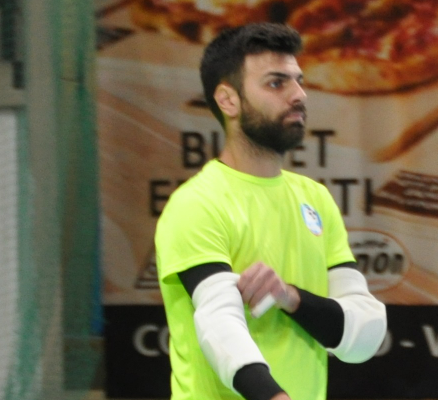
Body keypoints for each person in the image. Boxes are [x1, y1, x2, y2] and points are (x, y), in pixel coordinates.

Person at [154, 22, 387, 400]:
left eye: (299, 81)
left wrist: (292, 298)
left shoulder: (315, 199)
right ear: (228, 100)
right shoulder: (196, 204)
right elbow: (219, 324)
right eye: (276, 83)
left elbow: (364, 336)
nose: (299, 94)